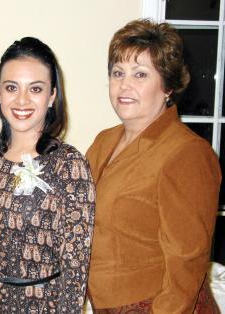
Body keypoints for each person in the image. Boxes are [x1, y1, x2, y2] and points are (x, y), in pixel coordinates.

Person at [86, 19, 221, 313]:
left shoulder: (187, 153)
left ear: (168, 86)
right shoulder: (103, 142)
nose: (124, 85)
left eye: (140, 74)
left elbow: (186, 264)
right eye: (118, 73)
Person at [0, 37, 95, 313]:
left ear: (52, 96)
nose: (21, 100)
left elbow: (75, 267)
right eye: (11, 87)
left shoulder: (69, 164)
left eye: (35, 89)